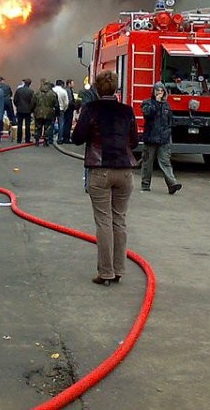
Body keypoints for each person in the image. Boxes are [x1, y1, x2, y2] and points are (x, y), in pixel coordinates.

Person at [71, 70, 139, 286]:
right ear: (116, 88)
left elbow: (77, 138)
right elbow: (135, 141)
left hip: (100, 170)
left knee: (103, 221)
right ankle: (119, 269)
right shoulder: (127, 111)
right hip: (125, 170)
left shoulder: (91, 109)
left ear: (98, 89)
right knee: (119, 220)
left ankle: (106, 272)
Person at [140, 82, 182, 194]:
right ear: (153, 92)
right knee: (147, 163)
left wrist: (168, 133)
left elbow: (169, 121)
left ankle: (172, 184)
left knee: (165, 162)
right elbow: (147, 115)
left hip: (163, 139)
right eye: (157, 91)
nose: (159, 93)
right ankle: (145, 184)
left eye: (161, 91)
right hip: (150, 138)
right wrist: (156, 104)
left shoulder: (167, 106)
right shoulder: (147, 103)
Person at [33, 81, 58, 147]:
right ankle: (45, 141)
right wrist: (56, 113)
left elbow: (33, 103)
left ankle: (37, 141)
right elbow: (56, 105)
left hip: (38, 112)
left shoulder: (37, 93)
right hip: (49, 113)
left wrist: (33, 111)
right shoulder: (53, 94)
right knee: (48, 128)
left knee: (38, 127)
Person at [13, 78, 36, 143]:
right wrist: (31, 109)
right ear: (30, 84)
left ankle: (19, 139)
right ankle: (27, 139)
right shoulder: (31, 91)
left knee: (19, 125)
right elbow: (33, 102)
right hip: (28, 111)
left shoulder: (19, 90)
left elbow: (15, 100)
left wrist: (17, 106)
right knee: (27, 126)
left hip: (20, 110)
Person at [52, 79, 69, 144]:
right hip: (61, 109)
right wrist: (64, 109)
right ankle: (59, 139)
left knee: (51, 124)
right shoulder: (63, 91)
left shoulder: (52, 90)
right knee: (61, 124)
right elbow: (66, 102)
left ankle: (50, 139)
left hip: (53, 109)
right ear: (62, 84)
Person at [60, 79, 77, 143]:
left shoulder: (67, 90)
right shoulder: (68, 91)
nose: (73, 85)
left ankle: (64, 137)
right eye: (72, 83)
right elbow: (70, 101)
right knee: (67, 124)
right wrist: (75, 105)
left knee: (66, 123)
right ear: (69, 84)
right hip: (69, 109)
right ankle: (66, 138)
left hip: (67, 109)